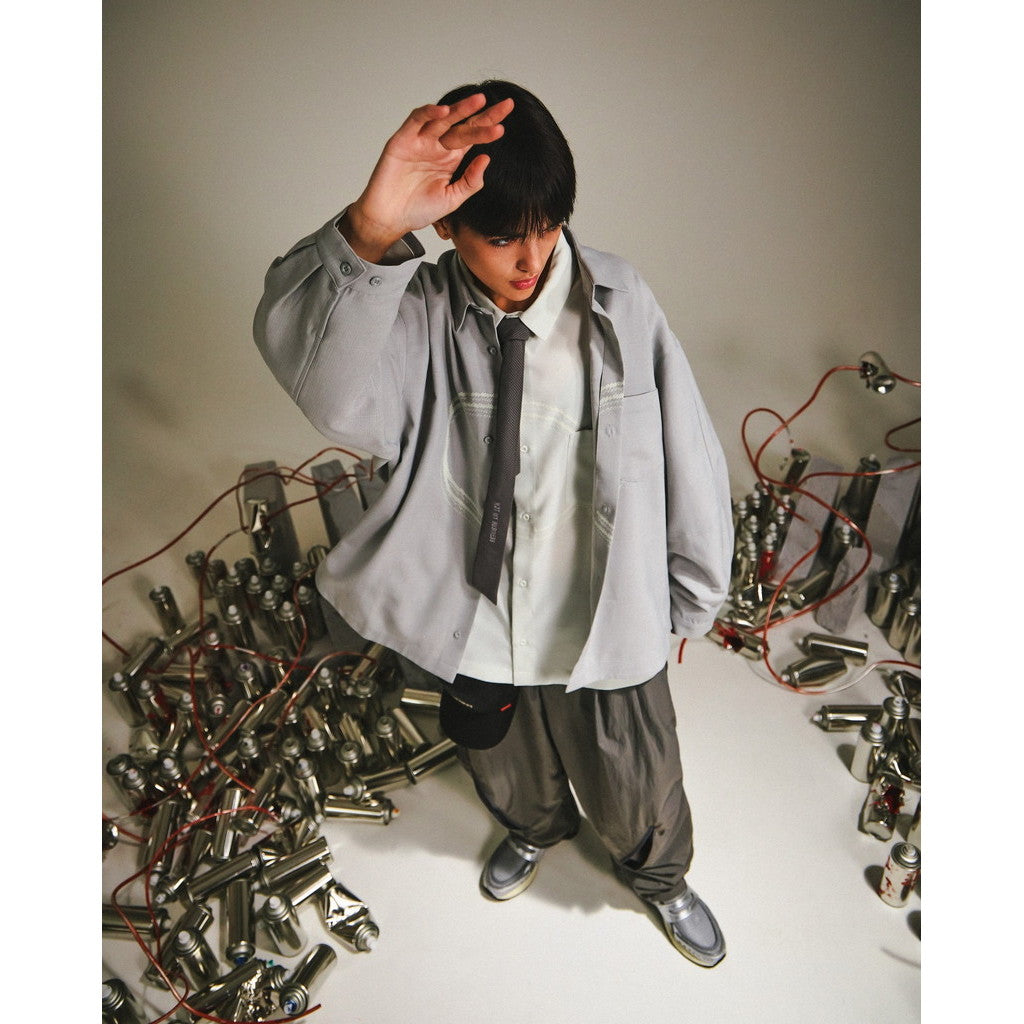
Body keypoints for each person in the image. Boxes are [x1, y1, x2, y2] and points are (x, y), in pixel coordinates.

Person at [253, 80, 733, 968]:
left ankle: (659, 877)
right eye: (503, 236)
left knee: (635, 775)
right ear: (448, 224)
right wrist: (369, 230)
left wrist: (693, 591)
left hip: (597, 610)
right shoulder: (415, 312)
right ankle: (533, 829)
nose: (531, 258)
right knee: (501, 760)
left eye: (547, 228)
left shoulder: (620, 300)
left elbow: (688, 449)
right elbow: (333, 398)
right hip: (479, 614)